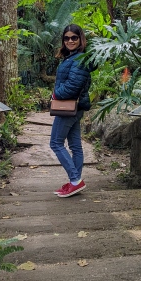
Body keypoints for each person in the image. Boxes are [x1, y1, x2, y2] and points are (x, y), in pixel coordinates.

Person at [50, 24, 93, 198]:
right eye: (66, 38)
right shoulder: (72, 57)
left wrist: (55, 94)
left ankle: (75, 180)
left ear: (80, 39)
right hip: (76, 107)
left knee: (55, 143)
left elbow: (73, 86)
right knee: (75, 146)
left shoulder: (79, 59)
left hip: (68, 106)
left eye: (74, 38)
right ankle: (75, 182)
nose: (70, 41)